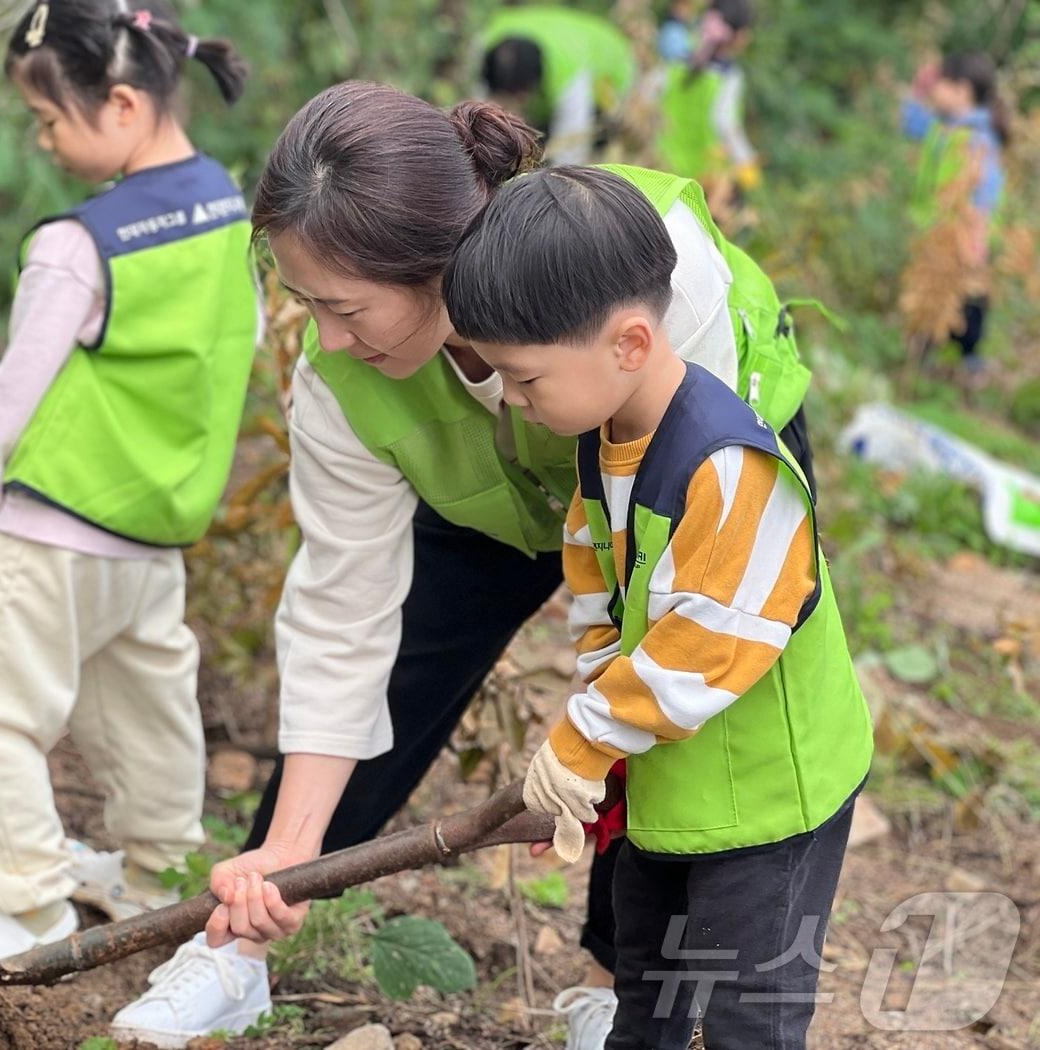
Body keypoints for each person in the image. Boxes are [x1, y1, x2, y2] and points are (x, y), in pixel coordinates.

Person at [110, 81, 819, 1049]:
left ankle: (628, 986)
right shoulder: (343, 383)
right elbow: (339, 612)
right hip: (500, 499)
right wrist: (285, 851)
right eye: (303, 302)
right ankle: (241, 943)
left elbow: (683, 619)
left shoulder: (638, 274)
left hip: (671, 477)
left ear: (438, 268)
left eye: (343, 307)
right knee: (396, 674)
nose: (325, 337)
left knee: (679, 712)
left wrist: (584, 743)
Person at [442, 164, 872, 1050]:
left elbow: (706, 640)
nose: (513, 401)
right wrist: (601, 721)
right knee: (651, 995)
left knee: (749, 1018)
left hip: (770, 800)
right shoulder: (607, 440)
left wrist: (587, 738)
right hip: (681, 781)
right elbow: (598, 576)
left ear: (630, 343)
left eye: (524, 379)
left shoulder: (728, 467)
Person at [0, 0, 258, 963]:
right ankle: (159, 880)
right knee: (146, 715)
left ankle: (28, 906)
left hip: (53, 524)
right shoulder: (225, 204)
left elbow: (11, 396)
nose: (45, 140)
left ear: (124, 105)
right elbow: (240, 345)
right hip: (156, 527)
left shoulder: (79, 243)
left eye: (51, 119)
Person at [902, 52, 1009, 381]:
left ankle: (968, 368)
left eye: (941, 83)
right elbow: (909, 124)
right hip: (935, 232)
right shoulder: (943, 127)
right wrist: (917, 90)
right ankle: (923, 366)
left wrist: (975, 239)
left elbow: (986, 190)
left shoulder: (978, 137)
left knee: (965, 304)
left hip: (964, 236)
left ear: (962, 89)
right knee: (931, 295)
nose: (935, 90)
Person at [480, 4, 637, 165]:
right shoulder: (489, 41)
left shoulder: (568, 69)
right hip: (558, 36)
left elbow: (572, 146)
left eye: (518, 98)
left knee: (603, 137)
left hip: (613, 62)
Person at [656, 0, 760, 196]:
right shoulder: (728, 77)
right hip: (700, 180)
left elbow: (650, 98)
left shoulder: (677, 65)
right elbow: (725, 124)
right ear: (739, 36)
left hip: (658, 166)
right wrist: (746, 162)